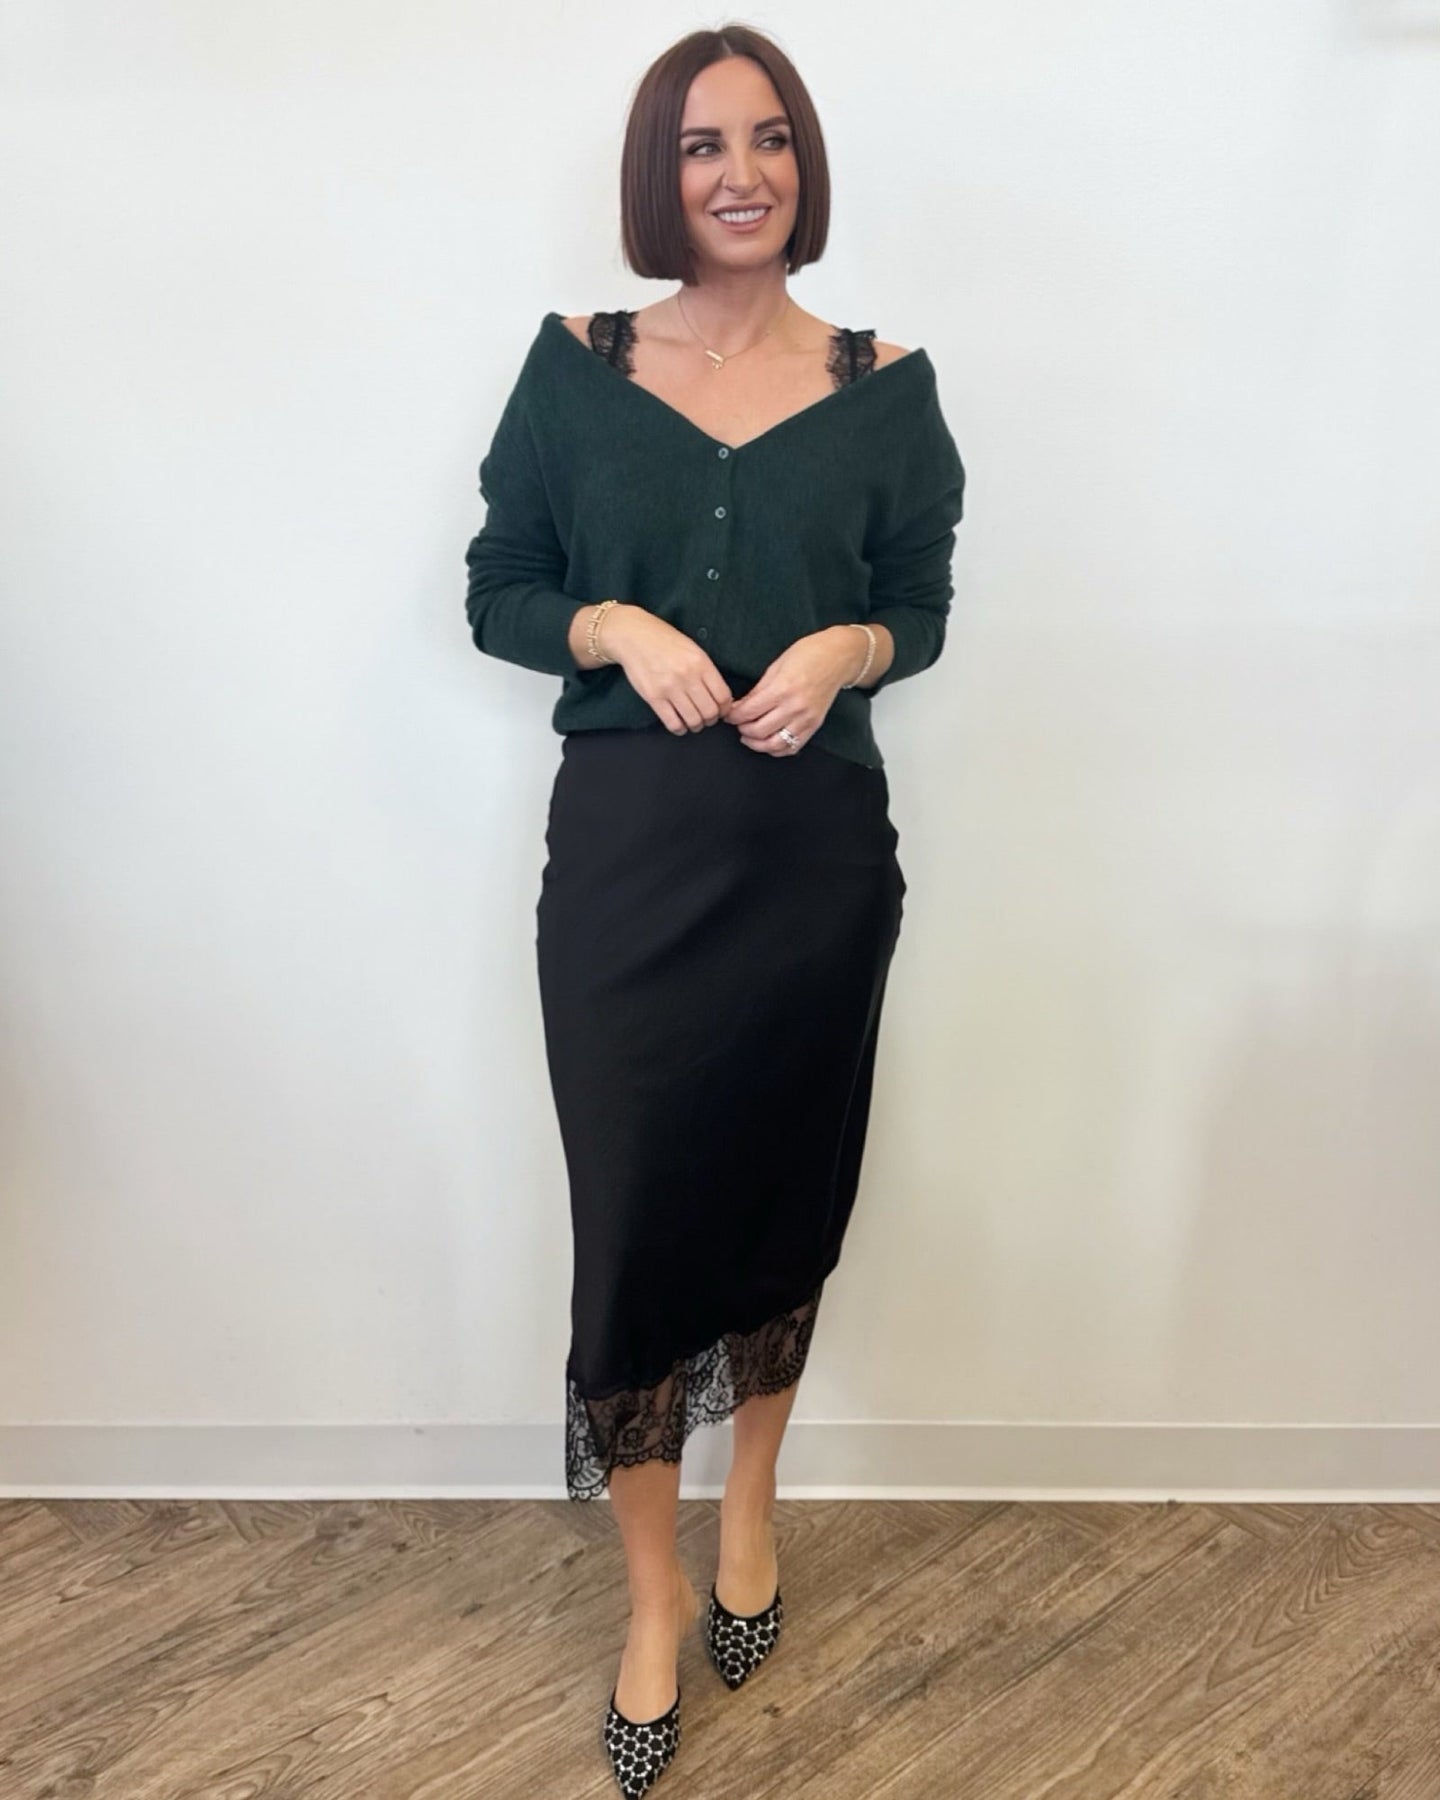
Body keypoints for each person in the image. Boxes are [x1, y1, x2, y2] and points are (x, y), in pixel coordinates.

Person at [463, 23, 965, 1797]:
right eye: (699, 145)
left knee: (777, 1198)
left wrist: (850, 648)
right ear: (657, 175)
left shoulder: (888, 385)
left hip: (813, 869)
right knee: (635, 1229)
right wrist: (611, 625)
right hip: (627, 869)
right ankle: (652, 1595)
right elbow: (500, 586)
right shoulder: (574, 369)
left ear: (803, 164)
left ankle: (750, 1505)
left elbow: (924, 601)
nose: (738, 173)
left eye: (766, 139)